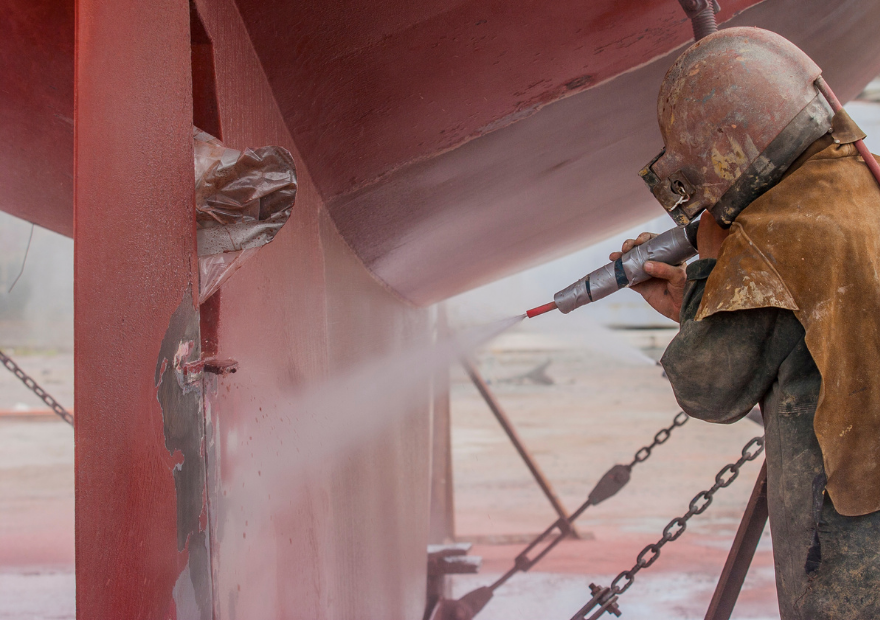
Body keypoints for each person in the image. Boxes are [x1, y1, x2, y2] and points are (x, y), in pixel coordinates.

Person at [619, 27, 880, 619]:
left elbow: (710, 388)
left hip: (853, 528)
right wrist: (699, 297)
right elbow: (803, 321)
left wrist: (714, 262)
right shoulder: (865, 180)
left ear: (727, 144)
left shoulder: (771, 237)